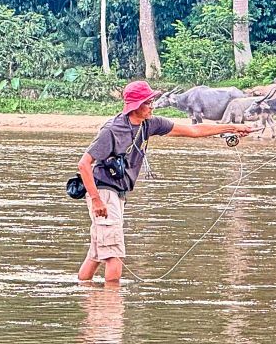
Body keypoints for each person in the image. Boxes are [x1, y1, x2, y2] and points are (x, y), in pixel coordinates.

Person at [77, 80, 253, 286]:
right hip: (104, 192)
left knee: (97, 253)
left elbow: (194, 130)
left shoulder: (150, 123)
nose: (152, 106)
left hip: (118, 193)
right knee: (114, 254)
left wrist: (233, 127)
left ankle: (85, 294)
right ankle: (111, 309)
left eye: (152, 101)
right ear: (134, 106)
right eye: (147, 102)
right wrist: (97, 201)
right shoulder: (112, 130)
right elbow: (84, 164)